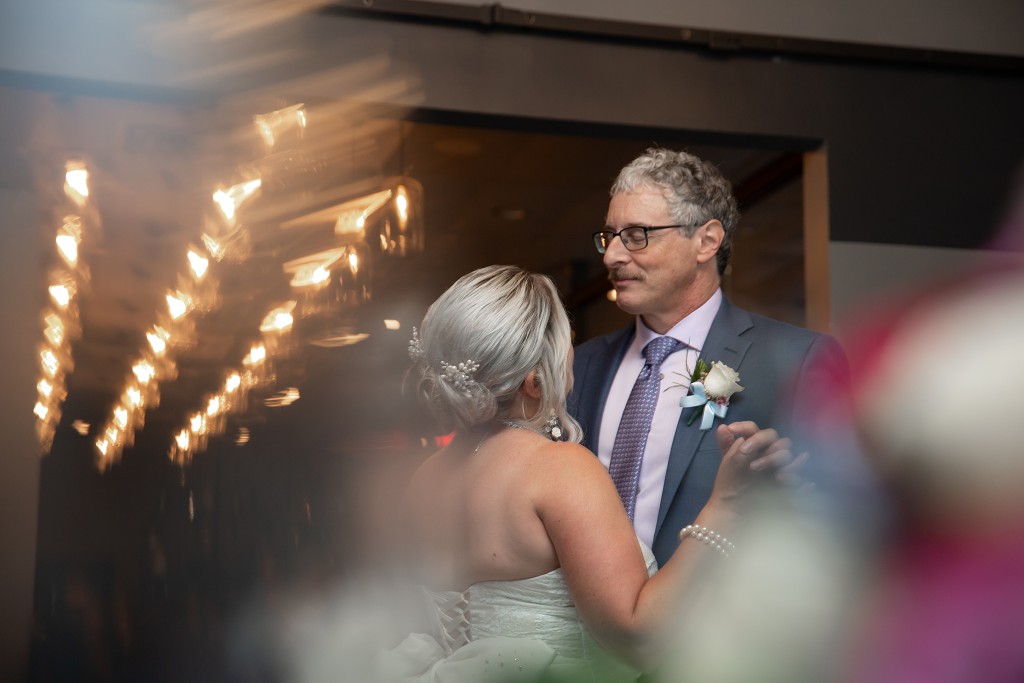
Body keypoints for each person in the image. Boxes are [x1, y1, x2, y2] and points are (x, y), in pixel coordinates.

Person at [389, 265, 791, 682]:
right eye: (567, 341)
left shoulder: (422, 479)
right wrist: (725, 506)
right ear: (534, 381)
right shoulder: (557, 468)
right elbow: (639, 638)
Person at [569, 148, 847, 567]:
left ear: (707, 241)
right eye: (610, 236)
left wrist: (795, 493)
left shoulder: (798, 360)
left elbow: (844, 521)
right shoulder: (580, 366)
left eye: (637, 235)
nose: (611, 256)